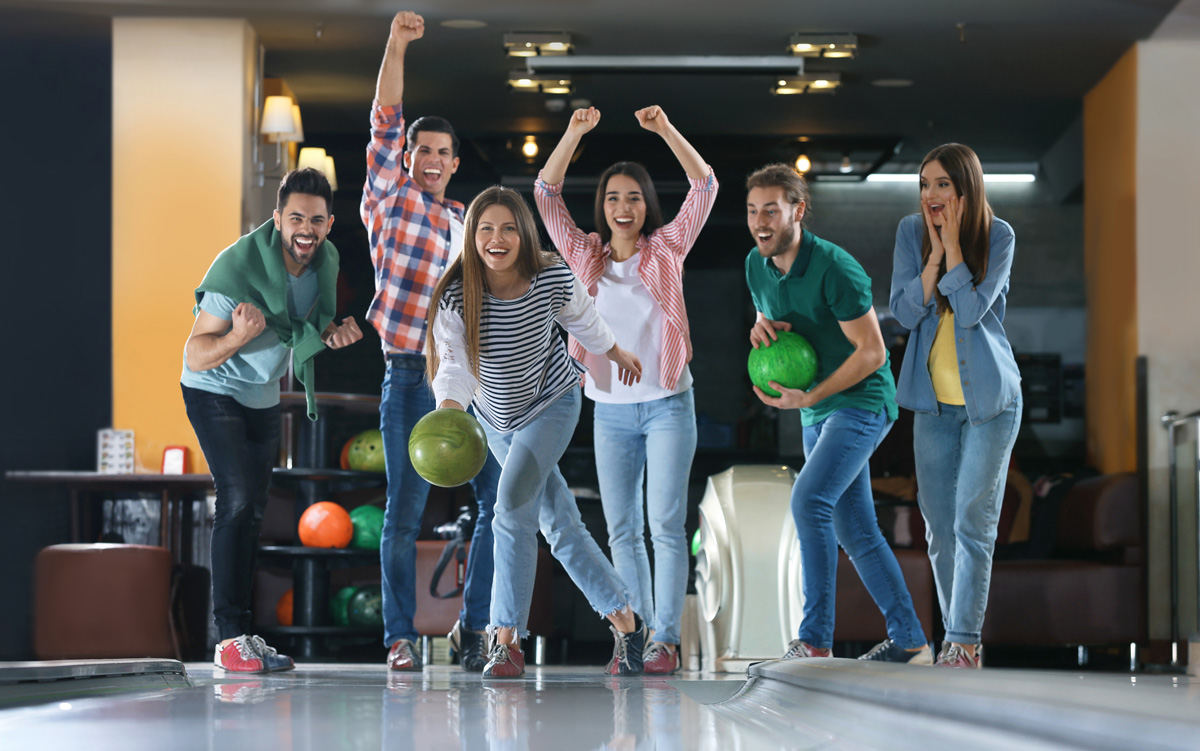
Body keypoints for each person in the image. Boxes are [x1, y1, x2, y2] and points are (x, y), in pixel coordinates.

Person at [426, 186, 648, 679]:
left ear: (523, 234)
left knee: (509, 512)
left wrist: (615, 353)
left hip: (552, 404)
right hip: (495, 421)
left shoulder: (549, 276)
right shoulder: (456, 293)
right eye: (485, 229)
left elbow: (584, 321)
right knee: (560, 525)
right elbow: (455, 365)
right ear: (472, 236)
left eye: (507, 228)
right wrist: (449, 411)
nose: (496, 239)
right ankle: (628, 624)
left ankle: (504, 639)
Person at [533, 105, 717, 674]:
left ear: (646, 205)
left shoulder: (667, 249)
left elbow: (705, 183)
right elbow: (544, 191)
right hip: (609, 410)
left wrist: (664, 131)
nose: (623, 206)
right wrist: (574, 134)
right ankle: (632, 639)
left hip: (666, 404)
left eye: (633, 196)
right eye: (613, 197)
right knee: (621, 531)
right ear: (602, 207)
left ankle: (665, 640)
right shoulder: (583, 255)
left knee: (664, 525)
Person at [744, 163, 932, 665]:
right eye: (752, 210)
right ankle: (911, 642)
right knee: (857, 530)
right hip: (816, 410)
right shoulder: (755, 264)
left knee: (809, 502)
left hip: (862, 402)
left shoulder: (836, 268)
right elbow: (767, 313)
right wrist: (759, 331)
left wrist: (811, 396)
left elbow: (873, 352)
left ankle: (815, 642)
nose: (760, 221)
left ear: (798, 211)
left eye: (771, 210)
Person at [361, 11, 502, 673]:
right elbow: (386, 112)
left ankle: (472, 629)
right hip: (410, 377)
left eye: (446, 154)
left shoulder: (464, 221)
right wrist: (397, 44)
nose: (436, 162)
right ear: (407, 158)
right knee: (405, 510)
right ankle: (399, 635)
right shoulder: (391, 200)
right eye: (425, 152)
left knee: (500, 503)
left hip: (476, 382)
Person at [182, 167, 363, 672]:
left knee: (253, 510)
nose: (307, 228)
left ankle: (243, 634)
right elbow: (196, 355)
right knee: (236, 501)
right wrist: (237, 338)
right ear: (279, 218)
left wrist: (334, 334)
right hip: (213, 390)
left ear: (330, 223)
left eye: (318, 220)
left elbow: (311, 325)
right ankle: (228, 638)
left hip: (263, 395)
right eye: (297, 217)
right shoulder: (236, 267)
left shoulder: (325, 259)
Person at [888, 144, 1021, 669]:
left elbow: (968, 312)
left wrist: (956, 248)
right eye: (924, 184)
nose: (931, 195)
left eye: (942, 184)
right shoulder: (909, 233)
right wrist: (935, 256)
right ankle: (956, 643)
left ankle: (963, 642)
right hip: (933, 409)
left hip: (990, 405)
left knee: (972, 522)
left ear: (964, 189)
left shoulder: (1000, 235)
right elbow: (902, 311)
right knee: (939, 530)